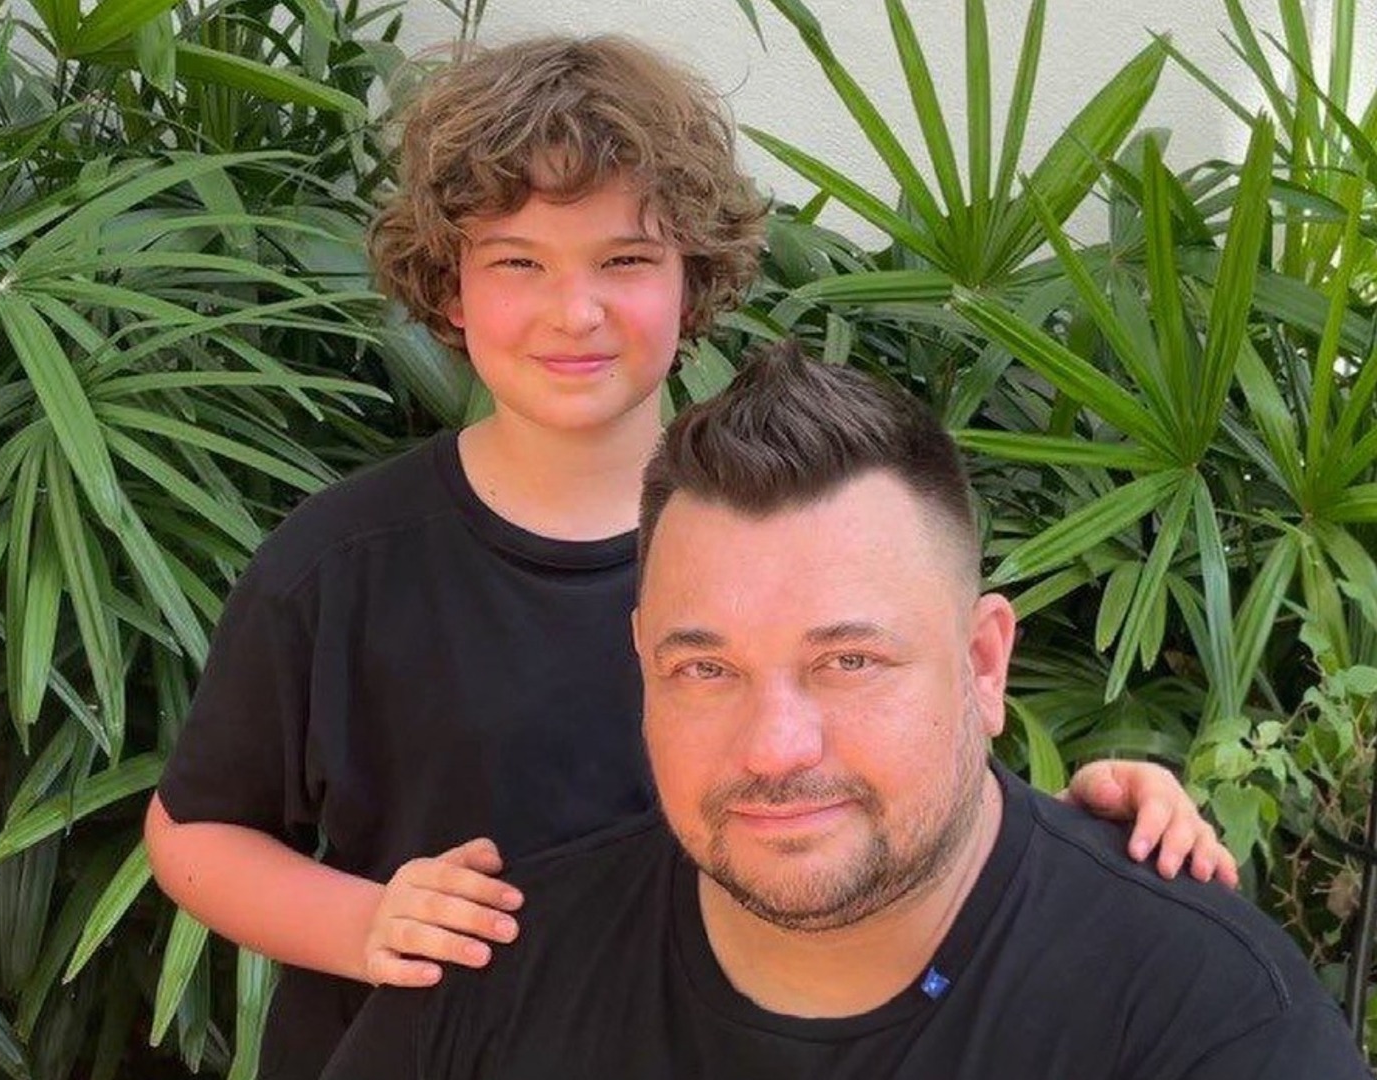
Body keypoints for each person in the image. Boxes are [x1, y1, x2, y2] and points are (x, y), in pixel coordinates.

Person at [144, 36, 1238, 1080]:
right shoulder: (337, 566)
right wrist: (364, 920)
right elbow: (193, 830)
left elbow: (891, 783)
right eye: (518, 261)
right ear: (450, 286)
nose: (576, 310)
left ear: (692, 274)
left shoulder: (798, 535)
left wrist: (1086, 828)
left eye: (625, 259)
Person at [319, 342, 1367, 1080]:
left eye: (850, 661)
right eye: (707, 670)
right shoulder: (491, 984)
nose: (776, 749)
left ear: (983, 664)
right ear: (643, 666)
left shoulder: (1200, 1015)